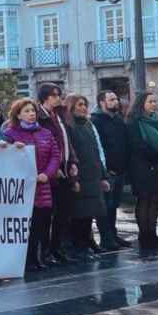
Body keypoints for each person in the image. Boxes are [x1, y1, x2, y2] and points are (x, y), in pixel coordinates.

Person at [2, 99, 59, 272]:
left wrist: (46, 174)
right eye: (26, 111)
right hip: (23, 188)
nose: (31, 114)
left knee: (42, 225)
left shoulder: (46, 133)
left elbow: (55, 156)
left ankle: (38, 257)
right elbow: (4, 158)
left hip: (42, 185)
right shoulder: (10, 134)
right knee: (26, 226)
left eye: (33, 111)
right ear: (18, 114)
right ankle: (26, 260)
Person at [62, 95, 109, 261]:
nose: (83, 108)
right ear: (72, 106)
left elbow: (96, 151)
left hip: (93, 175)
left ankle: (84, 245)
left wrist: (103, 176)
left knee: (89, 214)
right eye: (80, 104)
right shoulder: (68, 126)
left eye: (85, 104)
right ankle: (77, 246)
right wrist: (74, 178)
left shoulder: (88, 124)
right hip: (80, 176)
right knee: (78, 215)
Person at [36, 82, 78, 265]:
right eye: (55, 95)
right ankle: (45, 251)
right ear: (46, 97)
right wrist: (54, 168)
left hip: (66, 169)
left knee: (64, 213)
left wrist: (73, 162)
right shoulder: (40, 117)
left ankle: (56, 248)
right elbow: (44, 146)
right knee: (48, 216)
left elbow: (67, 141)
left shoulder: (59, 116)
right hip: (51, 173)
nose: (58, 98)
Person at [127, 92, 158, 250]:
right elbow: (139, 146)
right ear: (141, 104)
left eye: (155, 101)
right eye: (150, 101)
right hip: (141, 166)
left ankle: (153, 236)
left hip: (156, 166)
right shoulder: (134, 122)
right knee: (144, 201)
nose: (154, 104)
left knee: (154, 201)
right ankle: (144, 237)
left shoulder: (156, 120)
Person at [91, 91, 132, 250]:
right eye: (112, 99)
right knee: (105, 206)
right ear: (102, 102)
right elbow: (100, 148)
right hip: (108, 171)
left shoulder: (118, 120)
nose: (116, 102)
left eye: (116, 99)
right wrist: (107, 169)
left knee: (114, 205)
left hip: (120, 170)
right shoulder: (96, 121)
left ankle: (113, 235)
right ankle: (107, 238)